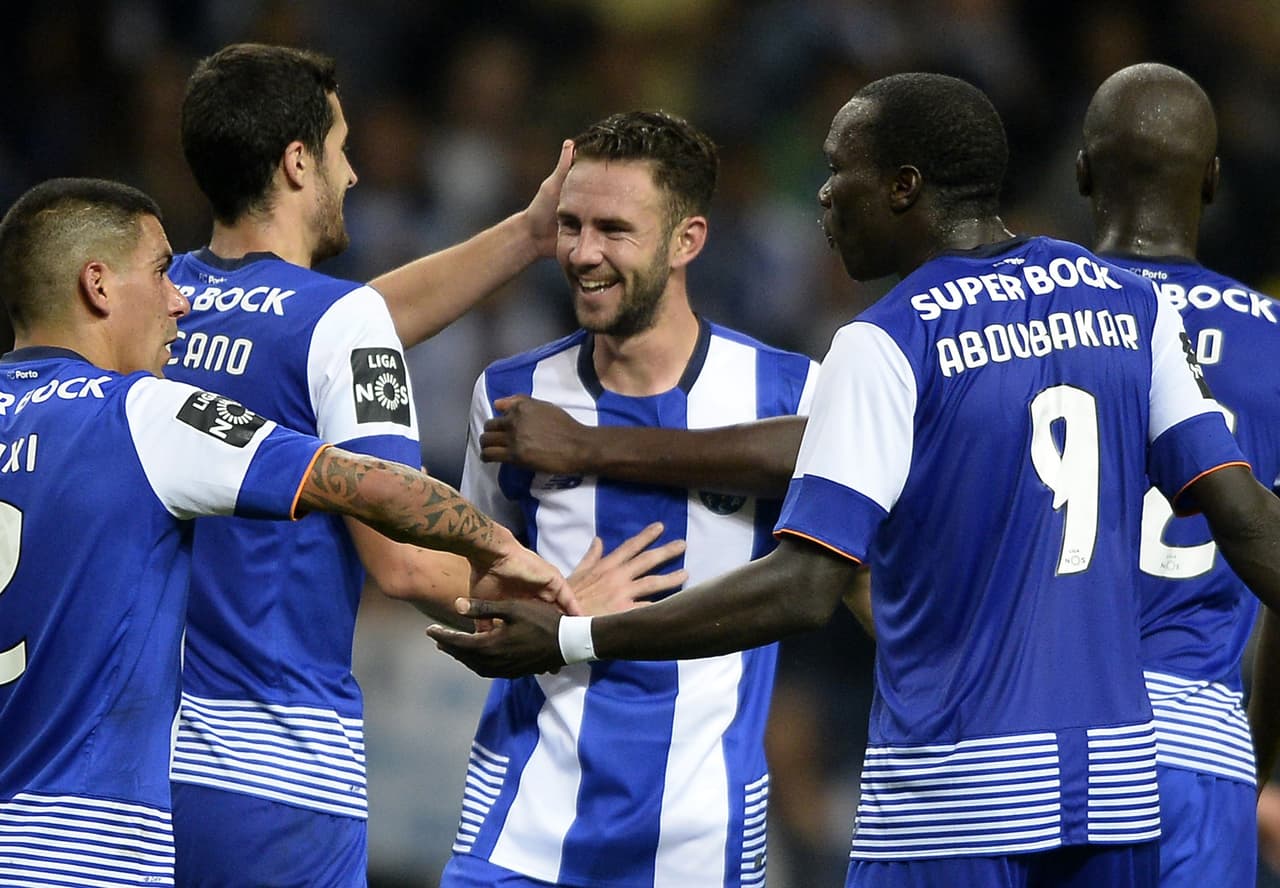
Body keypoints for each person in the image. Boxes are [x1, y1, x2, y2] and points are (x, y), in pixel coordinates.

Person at [431, 73, 1280, 888]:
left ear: (904, 187)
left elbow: (806, 586)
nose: (825, 196)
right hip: (1114, 792)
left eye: (841, 172)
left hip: (953, 792)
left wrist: (576, 638)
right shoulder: (1130, 306)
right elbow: (1245, 520)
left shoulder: (885, 341)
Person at [163, 43, 683, 887]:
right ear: (298, 163)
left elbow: (339, 329)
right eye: (338, 148)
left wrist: (524, 235)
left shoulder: (159, 309)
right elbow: (403, 562)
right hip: (280, 768)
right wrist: (553, 597)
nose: (355, 173)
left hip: (149, 762)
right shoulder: (333, 325)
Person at [0, 177, 574, 885]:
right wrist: (501, 545)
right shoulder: (146, 413)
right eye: (159, 274)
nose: (181, 299)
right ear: (98, 286)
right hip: (96, 845)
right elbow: (372, 484)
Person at [438, 110, 819, 888]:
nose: (582, 254)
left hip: (698, 840)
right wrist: (563, 600)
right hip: (521, 828)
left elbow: (839, 578)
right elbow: (458, 591)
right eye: (571, 225)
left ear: (688, 241)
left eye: (614, 229)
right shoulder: (512, 395)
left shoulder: (785, 393)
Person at [1076, 62, 1280, 886]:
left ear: (1083, 172)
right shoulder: (1275, 342)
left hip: (1033, 732)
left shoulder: (1017, 322)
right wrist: (1260, 759)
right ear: (1215, 180)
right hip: (1198, 748)